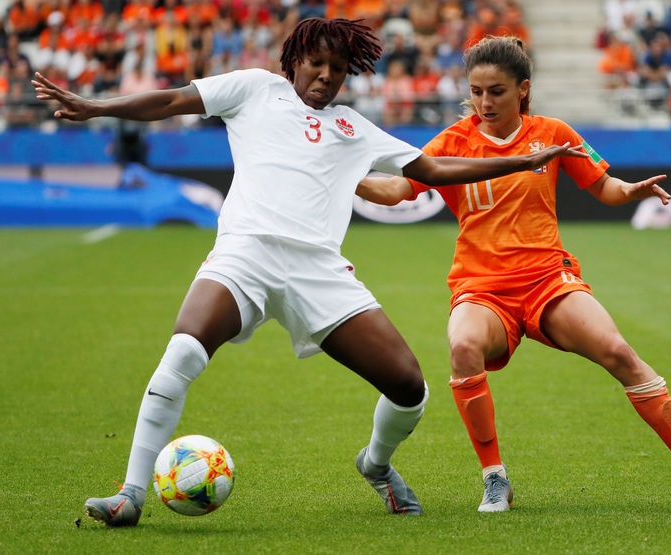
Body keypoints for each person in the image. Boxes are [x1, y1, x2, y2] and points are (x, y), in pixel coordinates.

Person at [32, 18, 583, 526]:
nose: (326, 75)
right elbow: (174, 99)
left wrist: (519, 160)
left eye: (338, 69)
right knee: (182, 351)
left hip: (318, 271)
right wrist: (96, 106)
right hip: (244, 254)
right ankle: (130, 494)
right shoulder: (252, 88)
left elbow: (432, 168)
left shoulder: (352, 127)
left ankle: (376, 464)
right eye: (317, 62)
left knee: (410, 388)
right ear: (294, 59)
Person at [357, 36, 671, 513]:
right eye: (475, 91)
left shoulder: (552, 133)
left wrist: (632, 190)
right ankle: (495, 478)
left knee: (618, 351)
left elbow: (604, 186)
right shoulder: (452, 142)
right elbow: (396, 189)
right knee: (462, 346)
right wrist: (343, 176)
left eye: (495, 91)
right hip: (482, 288)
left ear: (523, 89)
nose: (484, 102)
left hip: (546, 282)